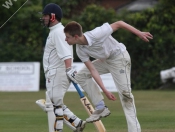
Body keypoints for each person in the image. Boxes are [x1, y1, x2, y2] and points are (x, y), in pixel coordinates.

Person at [64, 20, 153, 132]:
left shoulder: (97, 33)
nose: (65, 39)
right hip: (105, 61)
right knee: (81, 76)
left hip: (119, 58)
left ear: (76, 36)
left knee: (126, 97)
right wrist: (105, 90)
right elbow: (92, 70)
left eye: (67, 37)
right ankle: (100, 107)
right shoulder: (80, 49)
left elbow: (119, 23)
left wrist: (139, 33)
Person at [37, 3, 86, 132]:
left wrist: (69, 69)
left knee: (55, 106)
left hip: (57, 73)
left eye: (46, 16)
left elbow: (66, 53)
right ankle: (77, 123)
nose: (44, 18)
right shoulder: (55, 31)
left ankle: (63, 128)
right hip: (55, 73)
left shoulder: (58, 32)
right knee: (55, 104)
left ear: (53, 17)